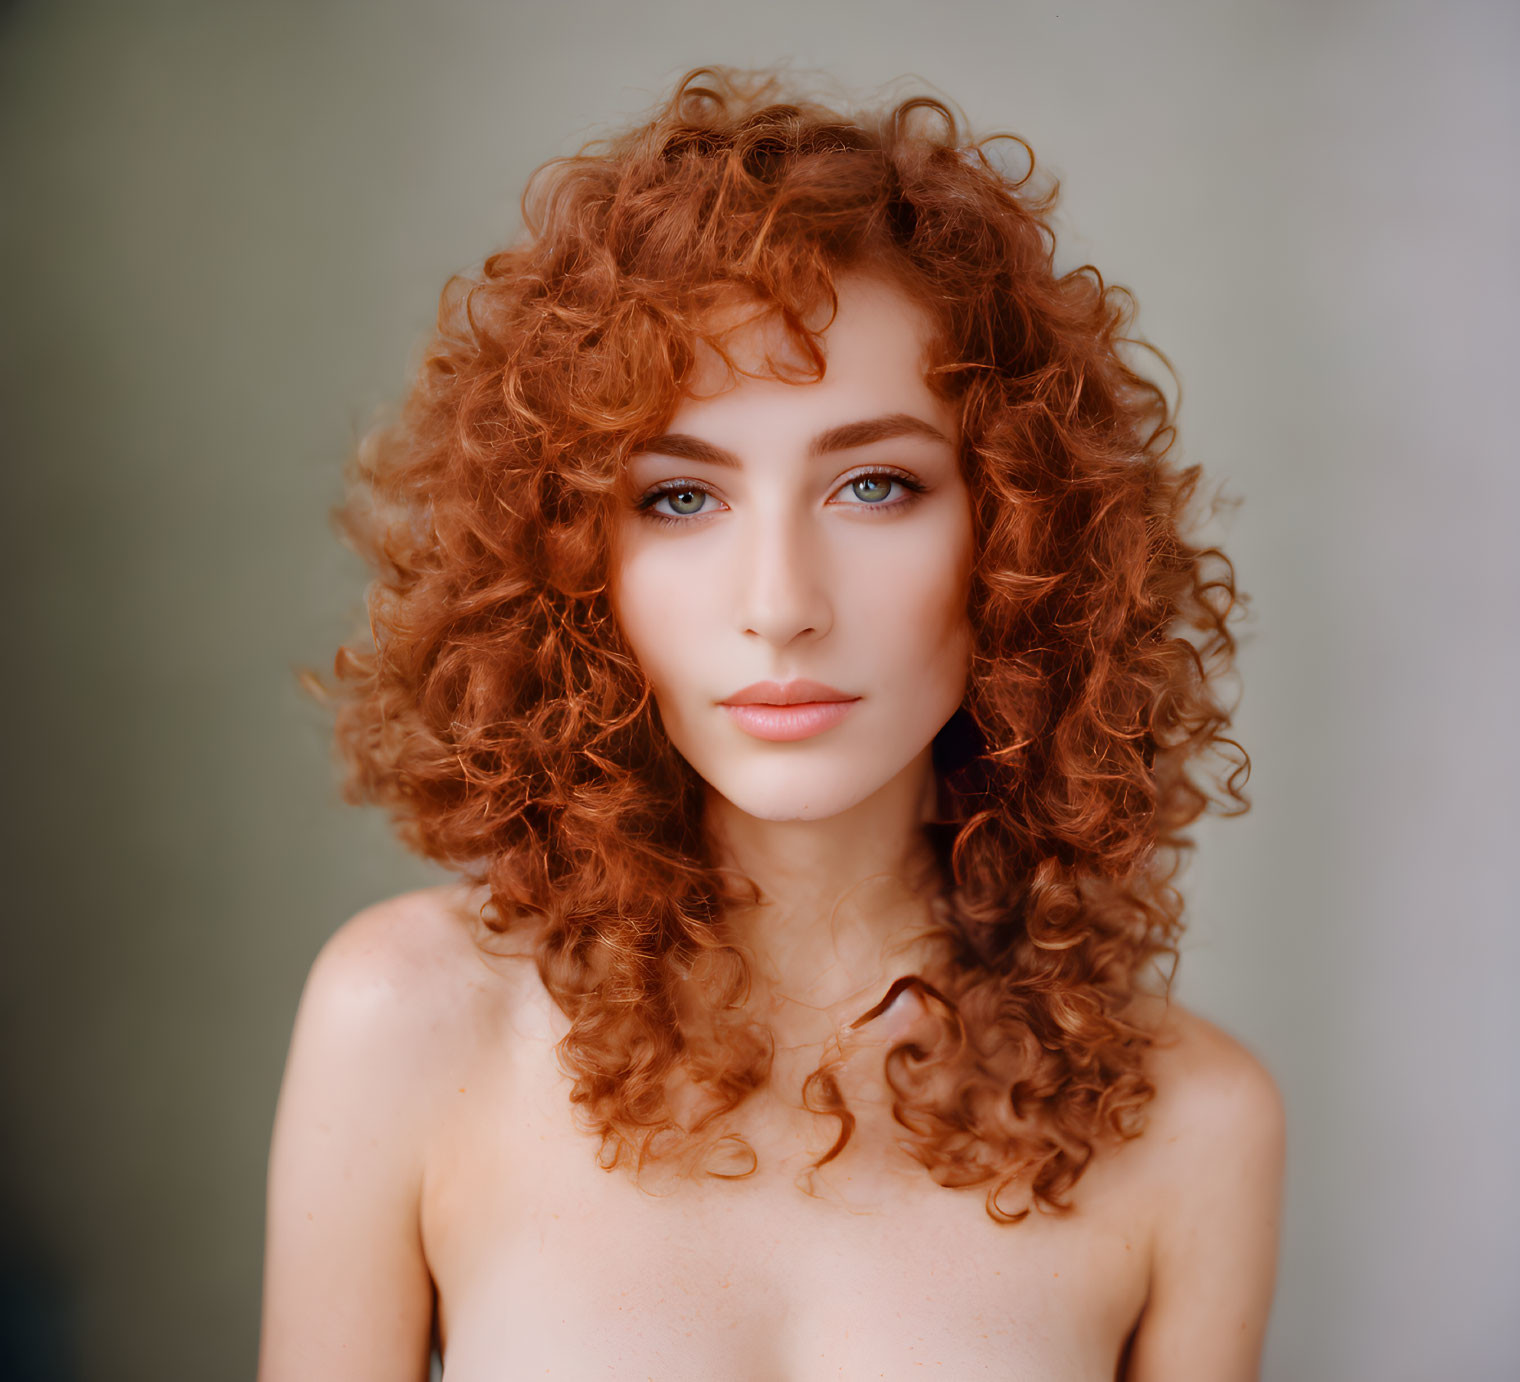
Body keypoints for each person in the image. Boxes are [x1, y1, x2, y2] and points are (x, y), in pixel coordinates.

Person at [257, 65, 1286, 1381]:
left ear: (1022, 537)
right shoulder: (406, 1024)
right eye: (680, 498)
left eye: (874, 483)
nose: (781, 606)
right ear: (575, 559)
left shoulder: (1195, 1127)